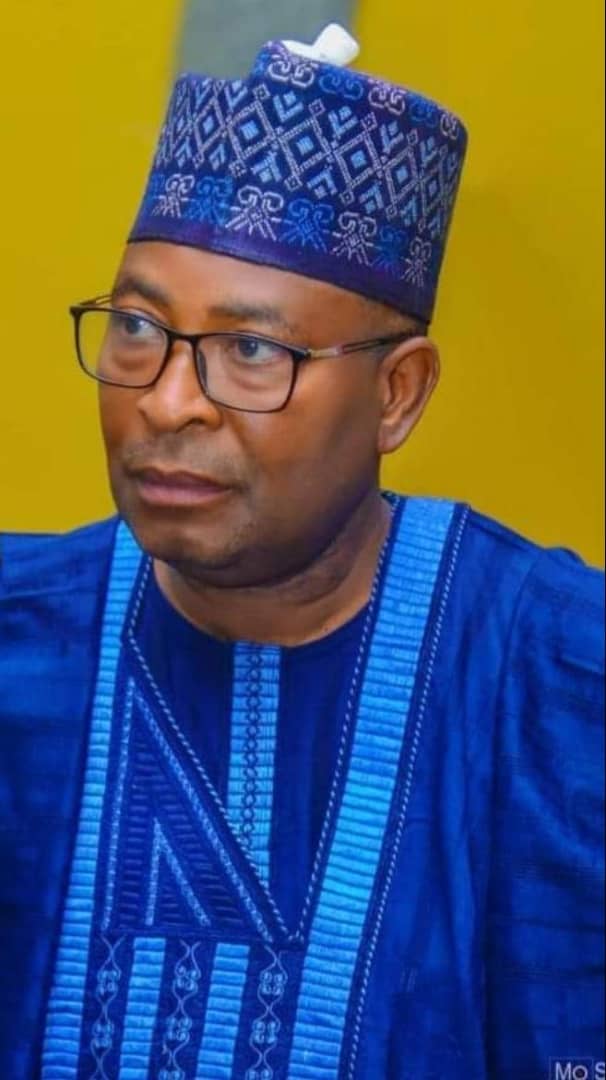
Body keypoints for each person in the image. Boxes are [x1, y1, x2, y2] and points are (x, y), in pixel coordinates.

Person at [0, 23, 603, 1080]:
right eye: (136, 328)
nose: (167, 403)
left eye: (251, 350)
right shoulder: (21, 639)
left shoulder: (552, 679)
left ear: (397, 393)